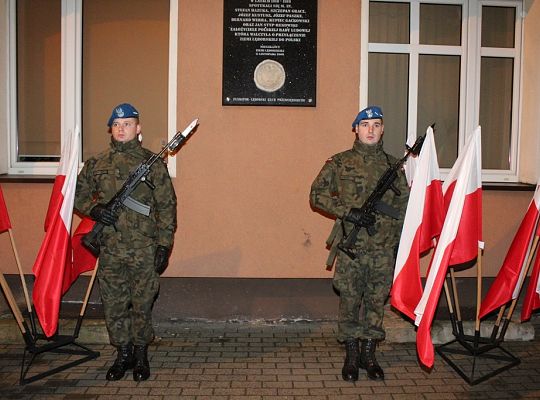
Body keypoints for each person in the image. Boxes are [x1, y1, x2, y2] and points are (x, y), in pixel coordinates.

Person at [74, 103, 177, 382]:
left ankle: (141, 355)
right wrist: (95, 211)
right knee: (115, 304)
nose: (122, 129)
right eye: (117, 125)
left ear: (138, 128)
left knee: (142, 303)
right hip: (110, 249)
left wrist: (164, 245)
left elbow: (167, 206)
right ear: (111, 129)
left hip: (144, 248)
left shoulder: (152, 164)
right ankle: (123, 355)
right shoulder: (97, 163)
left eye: (128, 124)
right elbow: (78, 195)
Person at [309, 106, 409, 382]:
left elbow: (403, 208)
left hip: (382, 249)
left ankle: (369, 354)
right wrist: (348, 212)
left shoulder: (393, 167)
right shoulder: (339, 163)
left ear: (382, 129)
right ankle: (352, 356)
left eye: (376, 125)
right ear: (356, 129)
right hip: (352, 249)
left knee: (377, 302)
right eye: (365, 125)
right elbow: (316, 195)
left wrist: (399, 245)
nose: (371, 130)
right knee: (350, 302)